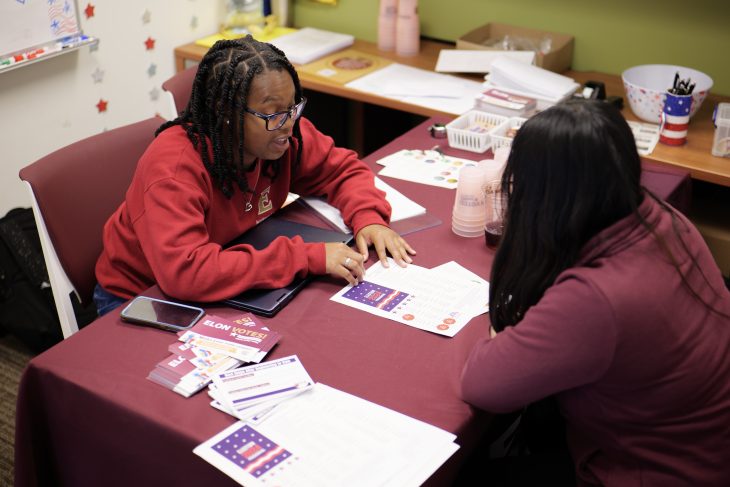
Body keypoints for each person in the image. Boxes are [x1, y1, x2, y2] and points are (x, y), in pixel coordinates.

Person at [460, 99, 730, 486]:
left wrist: (501, 333)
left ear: (547, 196)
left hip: (655, 471)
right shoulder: (666, 220)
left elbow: (483, 385)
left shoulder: (597, 299)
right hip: (703, 448)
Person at [94, 36, 415, 316]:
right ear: (226, 113)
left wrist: (369, 217)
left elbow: (341, 169)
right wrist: (305, 257)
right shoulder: (174, 168)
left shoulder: (282, 133)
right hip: (139, 295)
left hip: (227, 261)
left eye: (293, 107)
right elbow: (185, 272)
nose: (289, 124)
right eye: (274, 113)